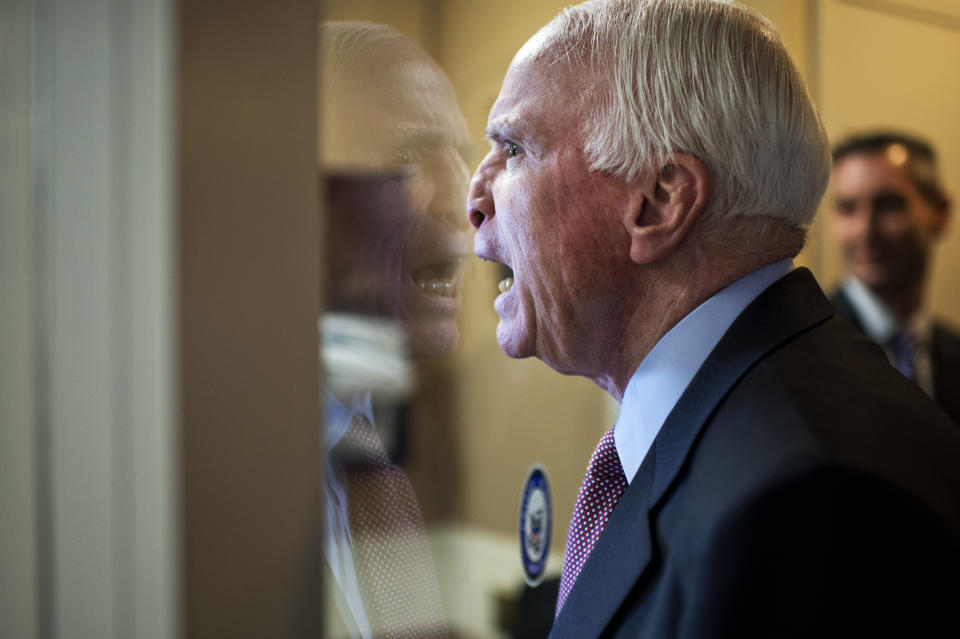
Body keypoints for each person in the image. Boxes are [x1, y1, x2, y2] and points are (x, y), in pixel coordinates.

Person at [465, 1, 960, 637]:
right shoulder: (754, 419)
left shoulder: (804, 504)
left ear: (660, 202)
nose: (476, 199)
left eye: (513, 148)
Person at [320, 21, 471, 639]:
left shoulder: (369, 458)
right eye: (407, 156)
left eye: (460, 153)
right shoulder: (220, 473)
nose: (463, 202)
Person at [828, 131, 959, 424]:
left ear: (941, 210)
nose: (865, 231)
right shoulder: (807, 350)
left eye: (889, 205)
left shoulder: (953, 354)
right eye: (848, 208)